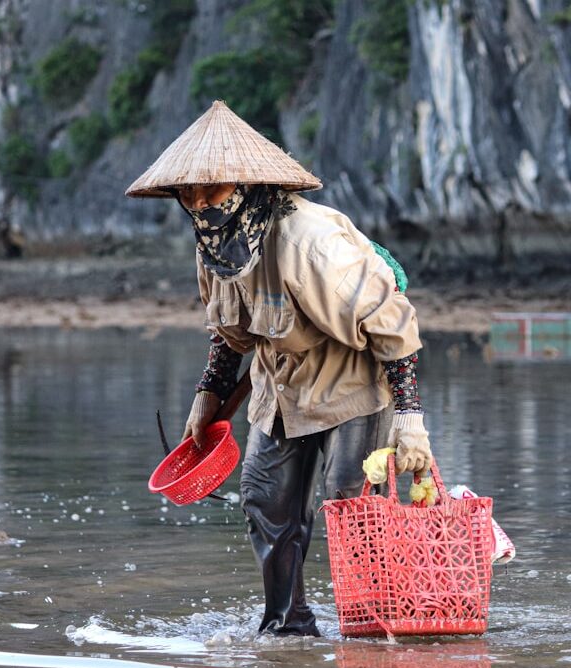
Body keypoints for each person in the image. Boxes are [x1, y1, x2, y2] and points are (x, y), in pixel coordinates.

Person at [125, 101, 434, 637]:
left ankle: (377, 630)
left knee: (350, 508)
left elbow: (394, 324)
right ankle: (286, 628)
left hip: (351, 382)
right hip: (280, 385)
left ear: (246, 186)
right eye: (190, 193)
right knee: (264, 496)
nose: (200, 203)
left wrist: (410, 422)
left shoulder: (309, 244)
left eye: (214, 190)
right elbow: (230, 331)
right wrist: (208, 394)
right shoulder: (213, 247)